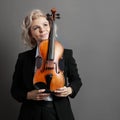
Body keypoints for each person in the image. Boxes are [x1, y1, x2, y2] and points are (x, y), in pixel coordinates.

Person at [10, 9, 82, 120]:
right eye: (36, 28)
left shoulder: (65, 54)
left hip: (59, 112)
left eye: (45, 25)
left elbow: (76, 80)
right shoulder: (23, 58)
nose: (42, 30)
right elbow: (15, 90)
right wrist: (29, 95)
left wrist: (70, 90)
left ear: (51, 27)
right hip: (31, 113)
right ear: (30, 33)